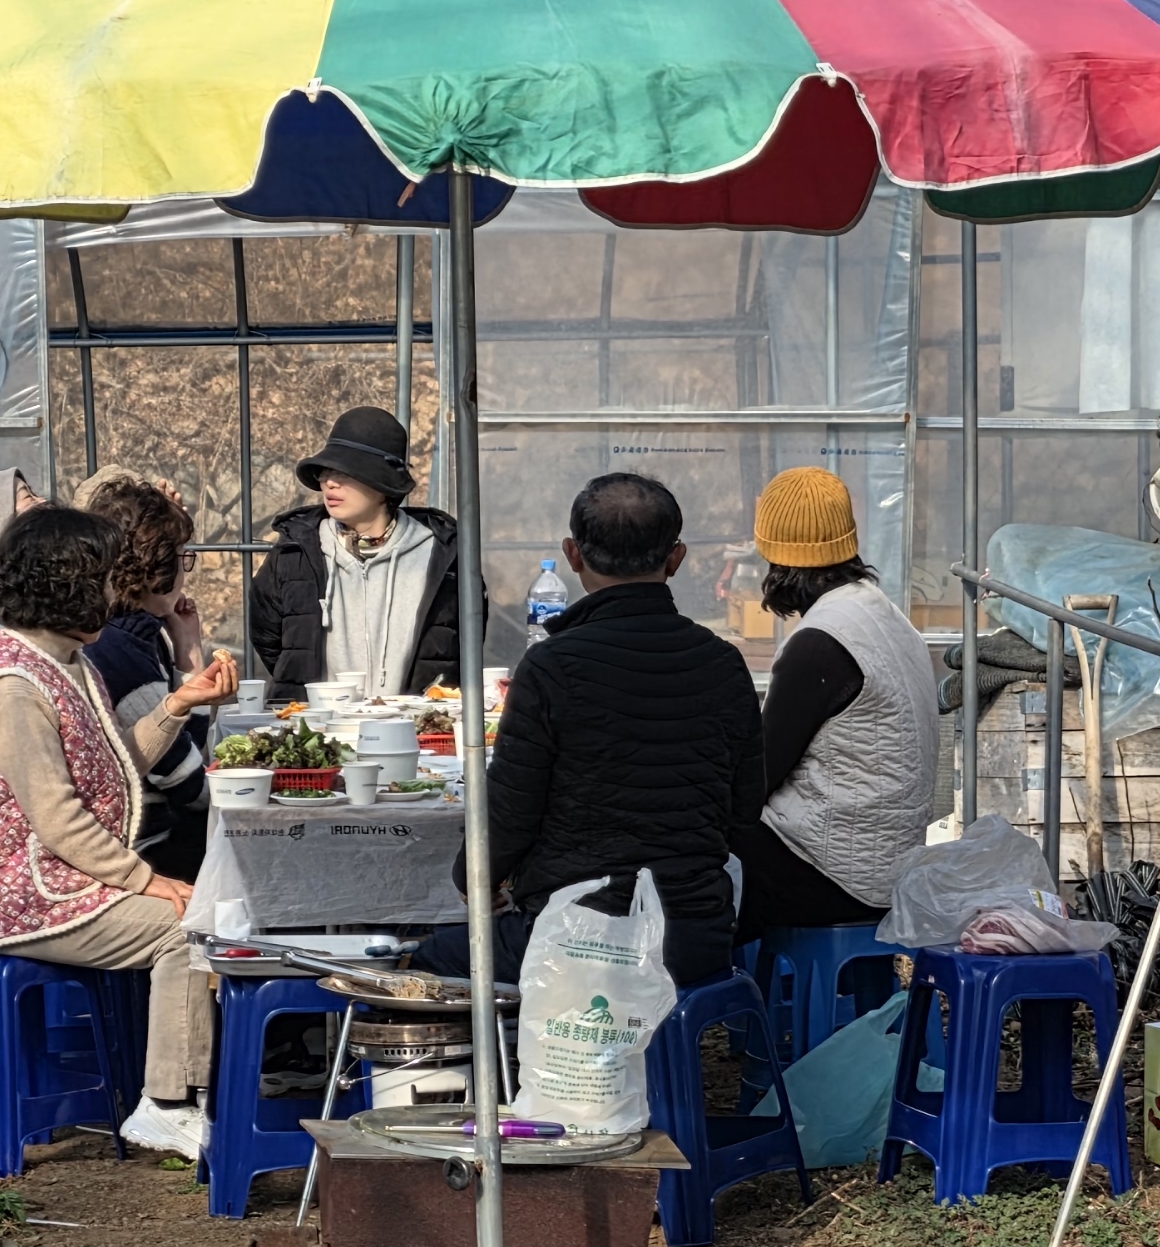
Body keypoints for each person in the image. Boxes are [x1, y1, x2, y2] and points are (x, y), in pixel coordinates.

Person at [0, 504, 238, 1160]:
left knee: (197, 909)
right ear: (70, 586)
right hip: (21, 898)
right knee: (186, 925)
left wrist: (176, 705)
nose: (113, 592)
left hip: (61, 881)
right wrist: (146, 881)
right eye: (104, 579)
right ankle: (167, 1105)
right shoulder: (15, 688)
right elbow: (58, 817)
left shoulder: (65, 662)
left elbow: (111, 766)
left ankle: (186, 1093)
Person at [416, 473, 761, 989]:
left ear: (572, 555)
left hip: (575, 937)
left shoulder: (551, 666)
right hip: (694, 939)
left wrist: (476, 878)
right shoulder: (724, 663)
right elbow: (744, 808)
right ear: (676, 558)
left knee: (427, 960)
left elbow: (510, 809)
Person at [735, 467, 942, 933]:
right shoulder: (884, 616)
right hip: (887, 869)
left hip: (833, 876)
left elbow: (756, 779)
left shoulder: (820, 642)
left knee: (685, 846)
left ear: (775, 557)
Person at [247, 406, 466, 693]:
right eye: (325, 471)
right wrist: (307, 688)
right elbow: (266, 635)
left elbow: (461, 642)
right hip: (316, 719)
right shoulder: (294, 551)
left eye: (345, 472)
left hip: (415, 719)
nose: (330, 483)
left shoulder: (441, 554)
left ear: (384, 485)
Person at [74, 468, 213, 883]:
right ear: (154, 567)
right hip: (144, 846)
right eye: (181, 557)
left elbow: (189, 751)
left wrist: (187, 647)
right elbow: (186, 783)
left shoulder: (134, 631)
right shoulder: (119, 649)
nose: (185, 571)